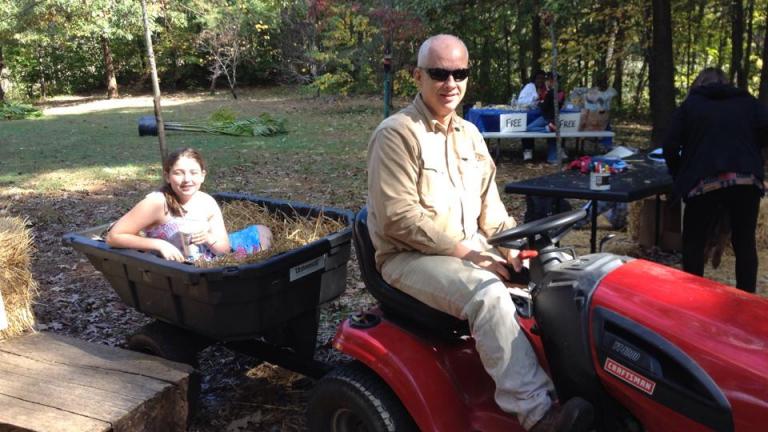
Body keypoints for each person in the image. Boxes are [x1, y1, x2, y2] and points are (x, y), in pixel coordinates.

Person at [366, 34, 593, 432]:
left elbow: (494, 215)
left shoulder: (471, 135)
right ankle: (538, 414)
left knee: (561, 277)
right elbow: (399, 218)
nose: (450, 82)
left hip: (469, 248)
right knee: (488, 295)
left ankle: (583, 387)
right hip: (408, 258)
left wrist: (514, 249)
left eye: (460, 72)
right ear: (418, 76)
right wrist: (471, 255)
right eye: (439, 73)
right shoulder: (397, 134)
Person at [663, 67, 768, 293]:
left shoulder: (690, 105)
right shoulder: (747, 102)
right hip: (745, 182)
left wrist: (679, 175)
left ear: (699, 84)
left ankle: (693, 299)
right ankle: (746, 301)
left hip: (703, 183)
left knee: (693, 244)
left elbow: (670, 145)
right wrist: (755, 158)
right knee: (744, 244)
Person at [106, 147, 272, 262]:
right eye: (178, 173)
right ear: (167, 176)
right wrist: (159, 244)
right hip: (179, 270)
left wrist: (207, 238)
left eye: (193, 173)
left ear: (202, 176)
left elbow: (224, 250)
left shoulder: (207, 202)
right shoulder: (158, 202)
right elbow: (114, 236)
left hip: (212, 263)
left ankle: (258, 267)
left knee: (262, 230)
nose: (187, 179)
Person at [525, 71, 567, 164]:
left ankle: (548, 129)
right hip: (555, 119)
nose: (546, 81)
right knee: (552, 137)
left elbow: (544, 107)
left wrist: (540, 102)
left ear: (551, 81)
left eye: (548, 79)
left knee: (529, 128)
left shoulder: (550, 92)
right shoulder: (561, 92)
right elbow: (559, 104)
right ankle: (552, 158)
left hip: (547, 118)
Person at [517, 70, 547, 161]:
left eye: (542, 78)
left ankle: (556, 150)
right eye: (538, 78)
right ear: (534, 79)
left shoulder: (546, 88)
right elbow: (520, 101)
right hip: (528, 113)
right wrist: (535, 97)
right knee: (526, 127)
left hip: (542, 114)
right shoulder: (529, 87)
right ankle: (527, 150)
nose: (540, 81)